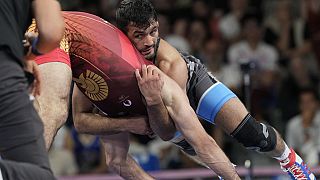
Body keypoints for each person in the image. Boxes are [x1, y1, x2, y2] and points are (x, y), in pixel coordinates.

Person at [113, 0, 316, 179]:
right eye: (139, 35)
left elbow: (175, 129)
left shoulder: (170, 63)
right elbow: (83, 122)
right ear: (123, 36)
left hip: (191, 82)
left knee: (251, 134)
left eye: (153, 31)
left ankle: (290, 160)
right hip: (163, 101)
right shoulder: (106, 62)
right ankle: (224, 171)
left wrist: (147, 109)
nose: (149, 42)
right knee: (194, 149)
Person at [0, 0, 64, 179]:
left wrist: (19, 51)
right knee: (37, 174)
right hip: (4, 69)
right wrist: (31, 52)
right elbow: (51, 33)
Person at [286, 88, 320, 167]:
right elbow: (290, 152)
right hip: (300, 167)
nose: (306, 106)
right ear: (299, 105)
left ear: (317, 103)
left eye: (309, 102)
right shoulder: (293, 124)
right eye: (303, 102)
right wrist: (305, 126)